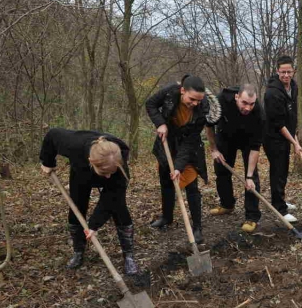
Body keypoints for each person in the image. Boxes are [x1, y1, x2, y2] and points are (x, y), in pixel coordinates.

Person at [39, 128, 139, 274]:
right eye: (105, 173)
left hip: (112, 174)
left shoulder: (119, 167)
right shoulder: (74, 144)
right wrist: (47, 161)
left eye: (111, 172)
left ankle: (129, 255)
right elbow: (52, 135)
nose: (108, 177)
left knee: (119, 208)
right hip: (81, 174)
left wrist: (93, 225)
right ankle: (78, 251)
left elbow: (110, 199)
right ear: (91, 162)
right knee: (76, 208)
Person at [145, 75, 221, 244]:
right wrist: (160, 123)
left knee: (191, 186)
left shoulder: (202, 109)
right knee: (166, 181)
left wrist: (179, 166)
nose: (195, 103)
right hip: (167, 143)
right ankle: (167, 217)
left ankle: (197, 227)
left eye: (198, 100)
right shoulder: (169, 93)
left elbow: (190, 141)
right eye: (192, 99)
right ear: (182, 91)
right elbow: (150, 104)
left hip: (190, 148)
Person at [205, 83, 264, 233]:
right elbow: (209, 124)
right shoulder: (221, 101)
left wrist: (249, 176)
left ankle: (252, 216)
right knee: (221, 170)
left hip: (248, 141)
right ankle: (227, 205)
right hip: (225, 137)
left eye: (251, 104)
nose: (247, 108)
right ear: (237, 96)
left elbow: (255, 148)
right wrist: (214, 149)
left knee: (252, 178)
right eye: (244, 103)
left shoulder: (259, 113)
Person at [263, 55, 302, 223]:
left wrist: (295, 138)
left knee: (284, 170)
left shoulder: (293, 86)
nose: (286, 75)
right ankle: (280, 209)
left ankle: (281, 199)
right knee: (278, 171)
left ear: (293, 71)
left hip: (286, 134)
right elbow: (279, 123)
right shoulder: (272, 93)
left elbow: (291, 117)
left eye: (289, 72)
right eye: (282, 72)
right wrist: (294, 143)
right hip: (273, 137)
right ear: (277, 71)